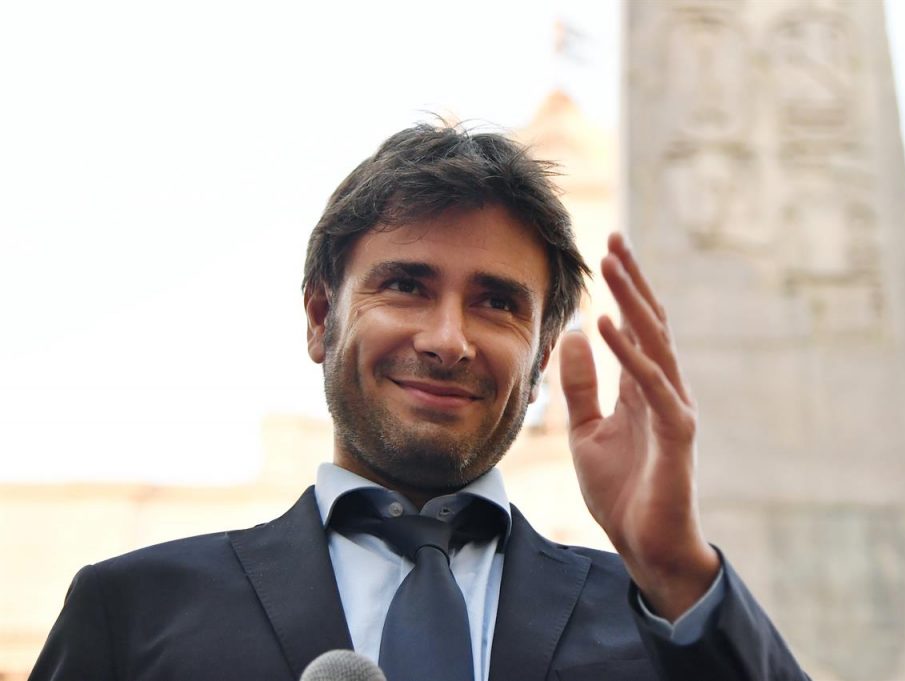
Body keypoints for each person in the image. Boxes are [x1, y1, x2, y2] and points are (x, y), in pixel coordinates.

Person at [29, 123, 807, 680]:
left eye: (497, 302)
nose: (447, 339)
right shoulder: (133, 610)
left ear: (540, 358)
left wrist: (676, 567)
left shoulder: (665, 624)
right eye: (406, 285)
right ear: (320, 318)